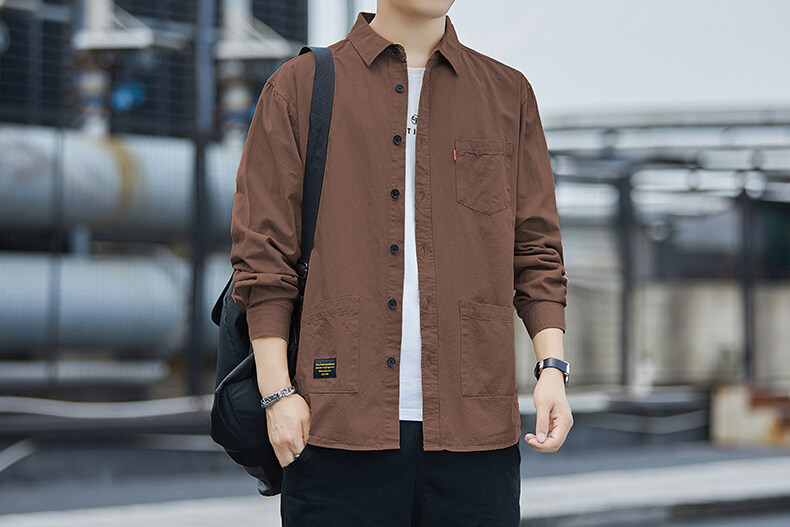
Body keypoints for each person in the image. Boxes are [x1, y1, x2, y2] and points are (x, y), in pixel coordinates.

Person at [229, 1, 573, 525]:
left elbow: (536, 249)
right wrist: (277, 395)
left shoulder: (507, 94)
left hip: (476, 433)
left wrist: (552, 369)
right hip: (334, 425)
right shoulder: (299, 87)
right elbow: (263, 256)